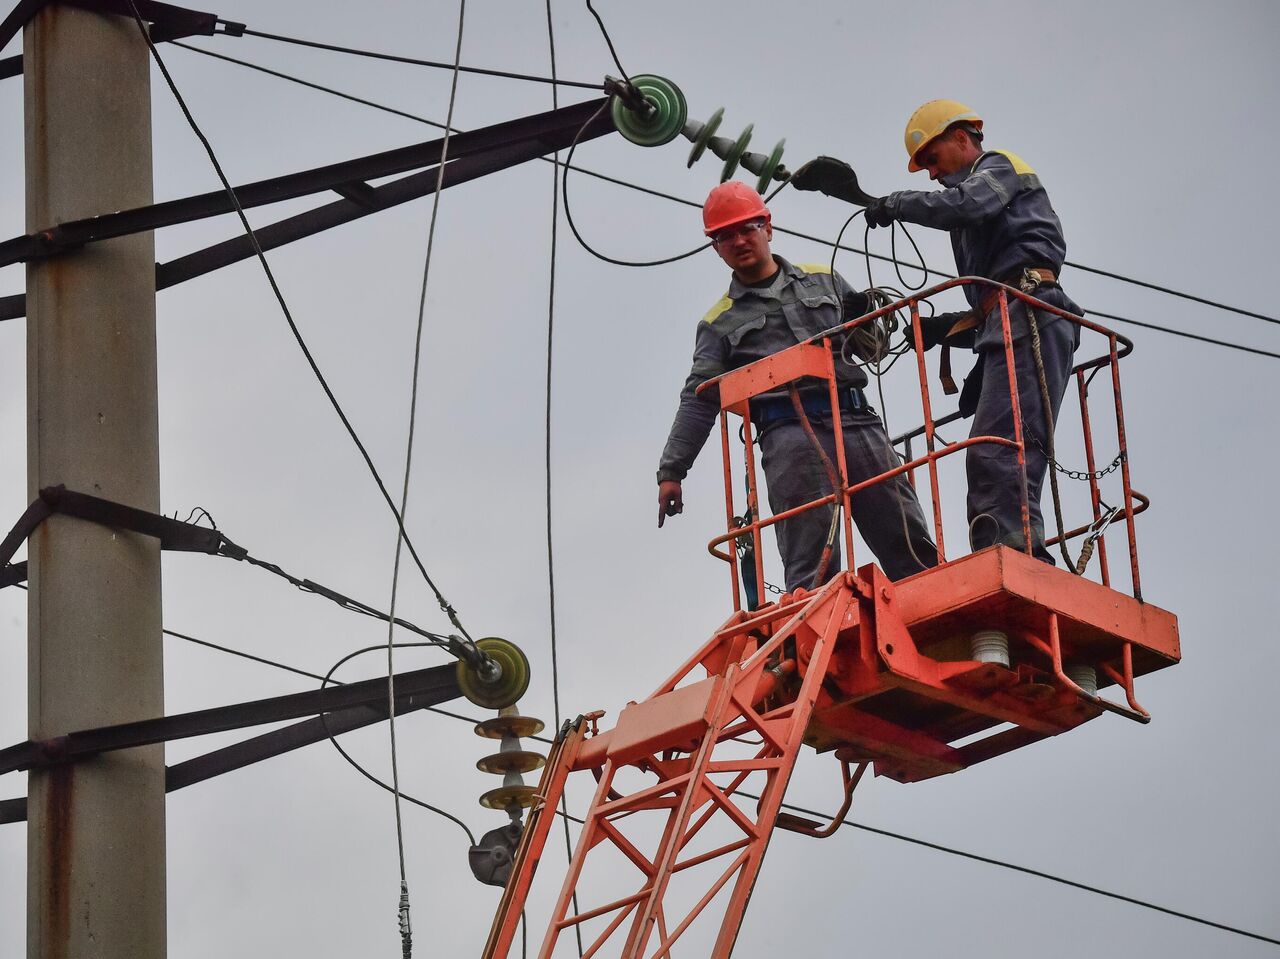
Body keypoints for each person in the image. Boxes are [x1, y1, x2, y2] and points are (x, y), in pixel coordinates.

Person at [791, 99, 1082, 563]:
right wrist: (946, 328)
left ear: (961, 139)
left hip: (1032, 313)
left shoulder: (998, 167)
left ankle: (1018, 554)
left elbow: (965, 208)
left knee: (1000, 448)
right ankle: (1005, 550)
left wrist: (897, 204)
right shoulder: (978, 204)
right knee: (990, 450)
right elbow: (992, 292)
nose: (929, 174)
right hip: (1011, 316)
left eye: (931, 159)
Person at [656, 181, 937, 590]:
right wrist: (672, 471)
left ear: (767, 227)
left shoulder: (826, 280)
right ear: (715, 247)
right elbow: (699, 400)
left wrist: (868, 319)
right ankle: (818, 635)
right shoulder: (718, 323)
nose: (738, 240)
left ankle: (937, 613)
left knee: (906, 539)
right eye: (724, 236)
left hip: (855, 421)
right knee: (811, 565)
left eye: (746, 228)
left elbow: (872, 350)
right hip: (788, 439)